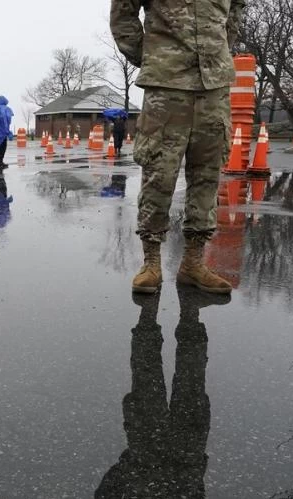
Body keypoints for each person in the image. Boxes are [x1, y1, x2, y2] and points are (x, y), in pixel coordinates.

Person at [111, 0, 246, 295]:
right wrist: (151, 56)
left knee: (207, 175)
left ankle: (194, 263)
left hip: (215, 84)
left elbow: (236, 8)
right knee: (159, 172)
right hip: (166, 84)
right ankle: (151, 263)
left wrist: (221, 47)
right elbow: (123, 14)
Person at [94, 289, 219, 499]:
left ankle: (149, 319)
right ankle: (188, 317)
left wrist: (126, 468)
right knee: (189, 377)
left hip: (148, 455)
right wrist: (192, 474)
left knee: (148, 373)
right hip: (182, 454)